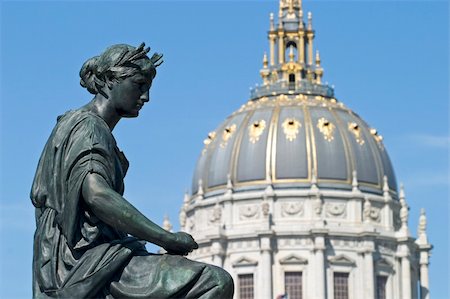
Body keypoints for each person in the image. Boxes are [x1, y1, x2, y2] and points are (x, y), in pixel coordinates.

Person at [30, 43, 234, 299]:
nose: (146, 97)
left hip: (81, 256)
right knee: (214, 281)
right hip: (85, 262)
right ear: (109, 81)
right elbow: (97, 195)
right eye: (139, 85)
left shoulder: (75, 123)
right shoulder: (89, 127)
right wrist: (165, 239)